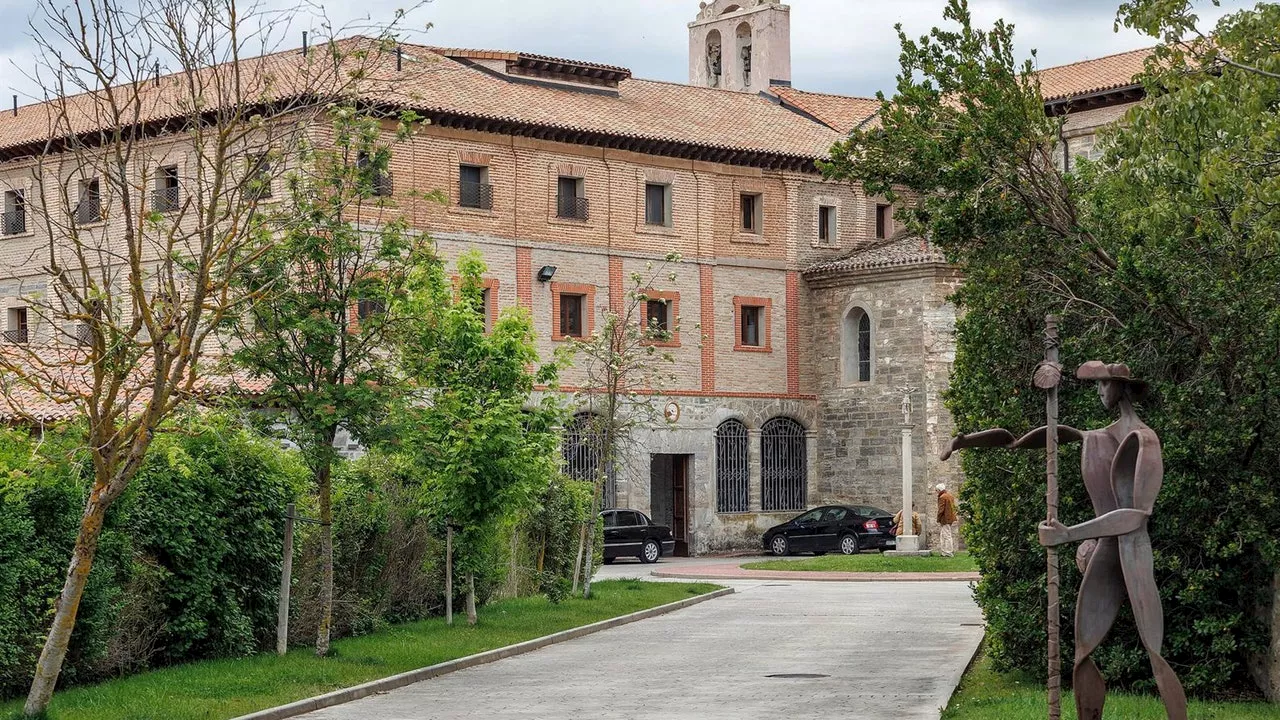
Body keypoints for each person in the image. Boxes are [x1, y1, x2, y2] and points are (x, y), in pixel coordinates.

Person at [940, 361, 1187, 720]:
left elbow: (1137, 516)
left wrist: (1071, 534)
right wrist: (965, 441)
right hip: (1106, 553)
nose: (1099, 392)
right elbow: (1017, 441)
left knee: (1154, 651)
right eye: (1097, 385)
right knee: (1083, 653)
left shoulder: (1145, 440)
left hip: (1133, 554)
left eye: (1103, 385)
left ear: (1122, 387)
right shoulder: (1096, 437)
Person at [935, 483, 958, 556]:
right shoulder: (950, 496)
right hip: (950, 518)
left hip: (945, 518)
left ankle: (948, 552)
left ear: (939, 490)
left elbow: (941, 509)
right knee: (943, 535)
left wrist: (938, 518)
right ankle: (944, 551)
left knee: (946, 535)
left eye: (936, 490)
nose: (936, 492)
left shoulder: (942, 497)